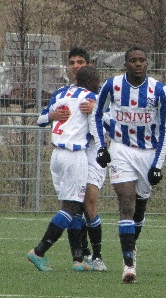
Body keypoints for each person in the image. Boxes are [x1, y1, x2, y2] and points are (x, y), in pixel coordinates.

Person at [93, 46, 166, 283]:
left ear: (147, 64)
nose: (138, 64)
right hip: (121, 149)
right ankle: (129, 266)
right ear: (125, 64)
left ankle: (131, 247)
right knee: (125, 204)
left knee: (139, 208)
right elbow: (97, 115)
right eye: (133, 61)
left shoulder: (159, 90)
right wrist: (101, 147)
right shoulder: (112, 86)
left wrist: (159, 163)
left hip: (148, 152)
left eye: (142, 60)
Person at [27, 65, 100, 272]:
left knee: (74, 207)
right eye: (97, 81)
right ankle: (39, 251)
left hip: (56, 155)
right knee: (70, 207)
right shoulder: (90, 98)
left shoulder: (60, 93)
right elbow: (98, 130)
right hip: (74, 155)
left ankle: (78, 260)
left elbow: (41, 119)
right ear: (91, 82)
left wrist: (52, 115)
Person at [64, 47, 108, 272]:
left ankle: (98, 255)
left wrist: (97, 111)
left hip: (94, 154)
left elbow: (115, 122)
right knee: (74, 204)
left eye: (80, 61)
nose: (76, 66)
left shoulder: (101, 94)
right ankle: (81, 254)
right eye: (72, 62)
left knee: (89, 201)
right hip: (73, 154)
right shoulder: (65, 93)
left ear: (88, 65)